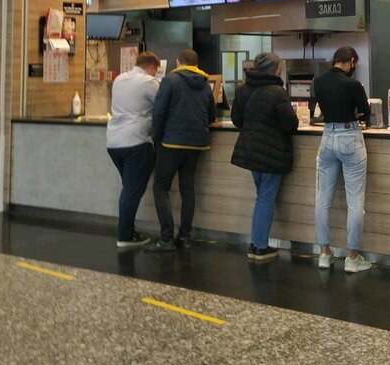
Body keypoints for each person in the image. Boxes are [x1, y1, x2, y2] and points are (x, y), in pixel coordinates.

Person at [230, 52, 298, 262]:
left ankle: (255, 242)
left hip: (250, 150)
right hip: (272, 152)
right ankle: (259, 246)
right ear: (276, 69)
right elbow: (291, 124)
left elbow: (236, 120)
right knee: (266, 198)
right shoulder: (278, 92)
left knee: (262, 196)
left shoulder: (243, 89)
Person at [149, 48, 217, 251]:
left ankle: (166, 238)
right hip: (197, 143)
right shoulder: (205, 84)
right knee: (187, 189)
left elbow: (159, 112)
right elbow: (211, 115)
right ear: (196, 64)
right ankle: (185, 236)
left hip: (171, 142)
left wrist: (156, 138)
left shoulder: (170, 80)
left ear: (179, 62)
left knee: (161, 187)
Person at [313, 46, 372, 273]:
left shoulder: (318, 81)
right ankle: (352, 258)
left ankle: (324, 254)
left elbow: (319, 108)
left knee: (322, 199)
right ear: (351, 62)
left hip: (327, 137)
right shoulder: (353, 85)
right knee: (355, 202)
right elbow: (365, 112)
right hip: (350, 137)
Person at [106, 50, 161, 250]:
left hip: (114, 142)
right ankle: (125, 235)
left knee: (129, 188)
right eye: (156, 71)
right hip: (136, 142)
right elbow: (163, 105)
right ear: (152, 67)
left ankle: (128, 230)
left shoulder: (119, 79)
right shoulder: (149, 82)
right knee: (132, 190)